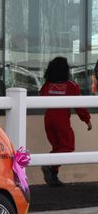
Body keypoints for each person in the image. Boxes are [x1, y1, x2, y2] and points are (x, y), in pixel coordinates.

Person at [39, 57, 92, 187]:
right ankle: (49, 165)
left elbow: (41, 97)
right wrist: (87, 120)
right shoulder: (71, 85)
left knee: (58, 147)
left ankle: (53, 176)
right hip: (61, 121)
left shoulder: (47, 85)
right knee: (68, 146)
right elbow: (79, 106)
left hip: (48, 120)